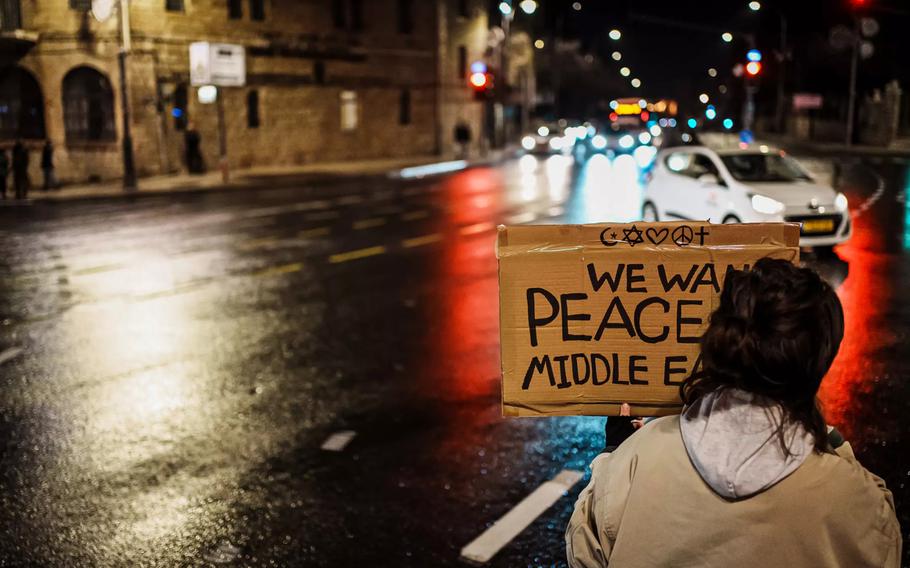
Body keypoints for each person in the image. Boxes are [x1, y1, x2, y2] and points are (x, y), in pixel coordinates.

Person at [566, 258, 901, 567]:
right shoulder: (854, 499)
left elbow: (585, 555)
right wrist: (833, 444)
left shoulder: (635, 461)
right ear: (816, 363)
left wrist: (615, 454)